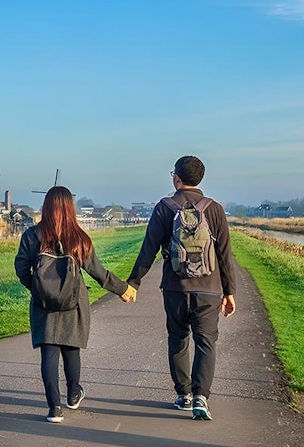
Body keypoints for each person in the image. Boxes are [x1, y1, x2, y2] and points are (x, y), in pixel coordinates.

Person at [127, 155, 236, 421]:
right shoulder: (215, 209)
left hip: (175, 287)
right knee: (206, 342)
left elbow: (148, 250)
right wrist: (229, 291)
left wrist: (133, 283)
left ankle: (184, 394)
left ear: (176, 177)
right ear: (200, 179)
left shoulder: (165, 207)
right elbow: (224, 253)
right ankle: (201, 396)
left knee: (178, 339)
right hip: (209, 288)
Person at [15, 186, 136, 423]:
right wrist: (123, 289)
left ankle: (54, 409)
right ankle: (73, 395)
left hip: (43, 304)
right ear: (70, 208)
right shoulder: (79, 238)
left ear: (46, 206)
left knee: (49, 352)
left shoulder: (31, 236)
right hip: (74, 302)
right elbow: (98, 273)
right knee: (71, 350)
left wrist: (38, 288)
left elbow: (21, 269)